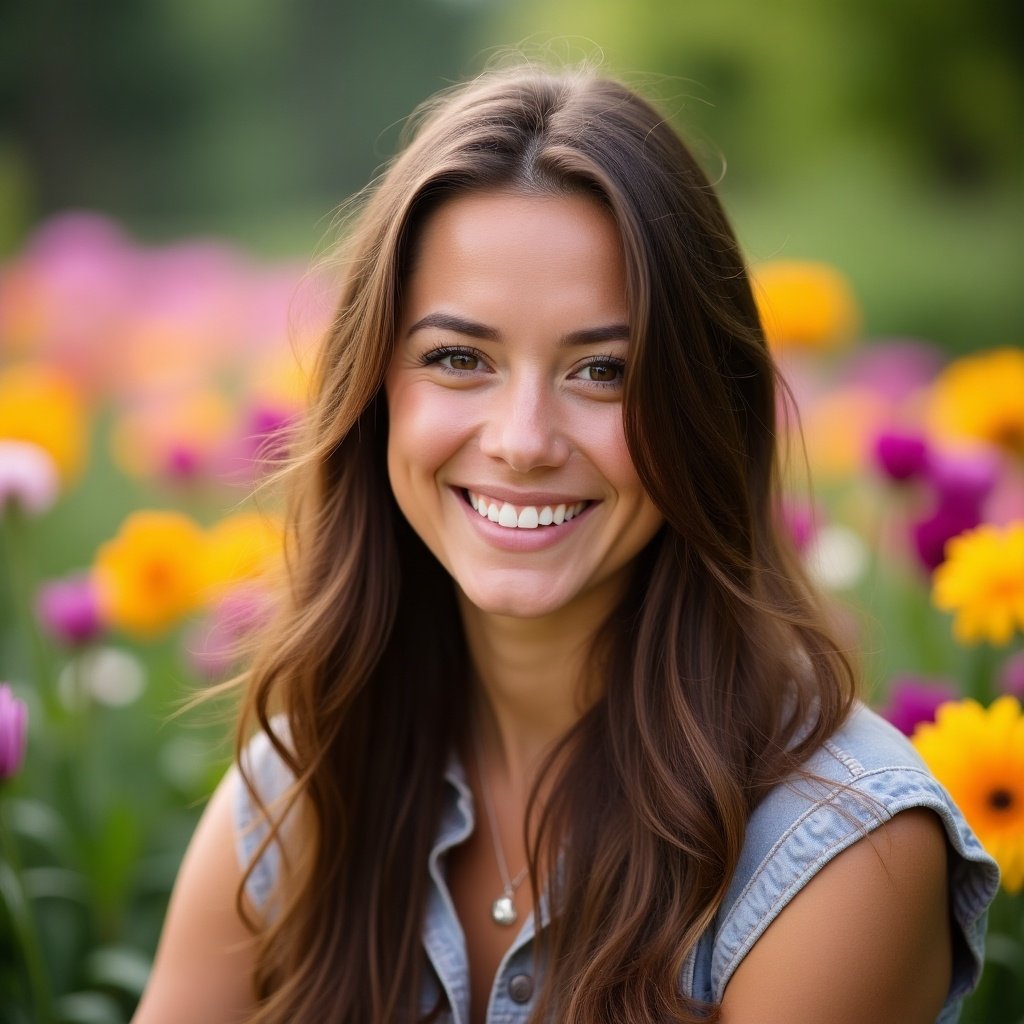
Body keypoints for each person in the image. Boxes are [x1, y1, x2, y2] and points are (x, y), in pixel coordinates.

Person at [132, 65, 999, 1024]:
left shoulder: (837, 848)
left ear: (706, 410)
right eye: (459, 358)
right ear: (377, 394)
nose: (523, 440)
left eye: (602, 371)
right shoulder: (306, 785)